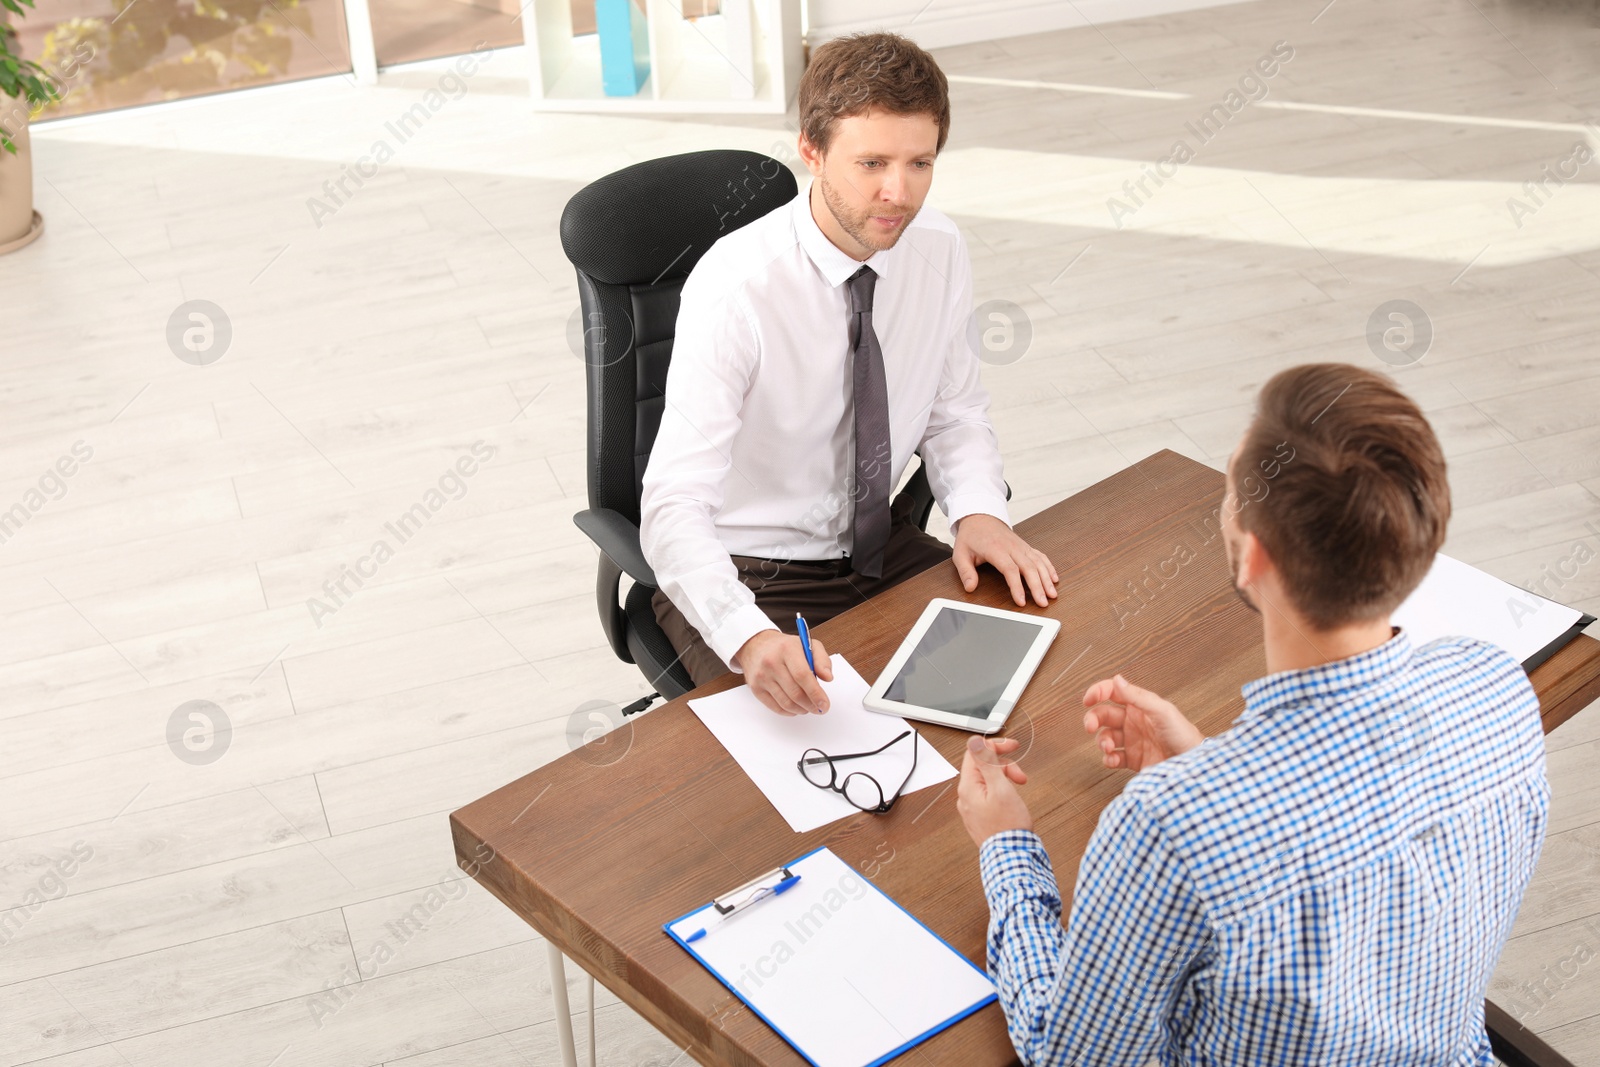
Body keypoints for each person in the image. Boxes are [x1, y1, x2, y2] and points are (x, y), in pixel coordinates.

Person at [956, 363, 1549, 1065]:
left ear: (1254, 555)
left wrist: (1008, 851)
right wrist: (1210, 762)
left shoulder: (1170, 823)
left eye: (1231, 490)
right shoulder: (1495, 686)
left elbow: (1069, 1055)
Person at [641, 32, 1057, 717]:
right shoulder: (737, 287)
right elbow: (671, 506)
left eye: (920, 162)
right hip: (754, 571)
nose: (900, 193)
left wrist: (979, 511)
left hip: (880, 548)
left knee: (1020, 682)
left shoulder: (938, 249)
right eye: (871, 163)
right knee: (814, 768)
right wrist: (746, 639)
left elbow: (953, 410)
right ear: (811, 149)